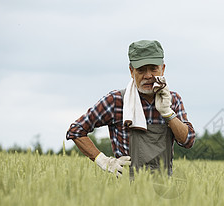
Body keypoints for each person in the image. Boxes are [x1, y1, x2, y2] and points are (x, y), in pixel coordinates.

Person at [66, 40, 195, 176]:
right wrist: (103, 161)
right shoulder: (116, 100)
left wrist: (168, 113)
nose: (148, 76)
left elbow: (188, 141)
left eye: (153, 69)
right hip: (125, 190)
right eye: (141, 70)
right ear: (131, 71)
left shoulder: (173, 100)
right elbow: (76, 131)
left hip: (162, 190)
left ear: (163, 69)